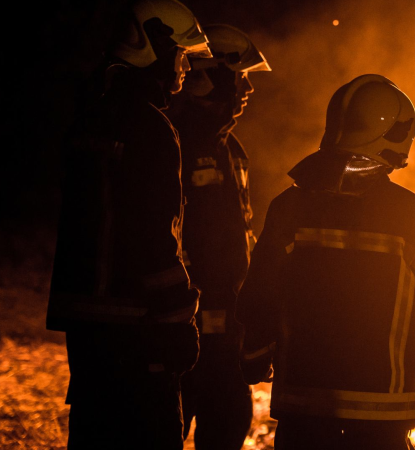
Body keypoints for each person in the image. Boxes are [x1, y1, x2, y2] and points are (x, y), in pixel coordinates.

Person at [237, 74, 415, 450]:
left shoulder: (289, 208)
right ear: (389, 135)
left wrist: (253, 359)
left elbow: (259, 296)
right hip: (381, 422)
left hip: (301, 413)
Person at [45, 1, 211, 448]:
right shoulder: (150, 128)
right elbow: (155, 237)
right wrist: (179, 319)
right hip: (137, 328)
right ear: (153, 46)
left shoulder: (92, 114)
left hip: (86, 329)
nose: (185, 68)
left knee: (96, 431)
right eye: (182, 55)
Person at [165, 24, 271, 450]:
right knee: (173, 418)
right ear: (207, 76)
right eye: (238, 77)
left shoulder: (230, 148)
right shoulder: (173, 141)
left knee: (229, 417)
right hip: (185, 317)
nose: (246, 89)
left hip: (226, 318)